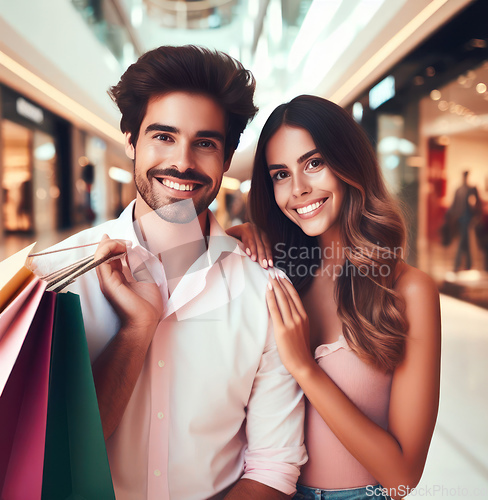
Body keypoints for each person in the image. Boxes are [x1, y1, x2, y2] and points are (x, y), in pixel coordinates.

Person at [33, 46, 306, 500]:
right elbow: (42, 457)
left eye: (205, 142)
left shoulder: (266, 291)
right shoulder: (52, 278)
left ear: (227, 154)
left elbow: (273, 468)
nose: (183, 162)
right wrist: (136, 331)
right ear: (130, 140)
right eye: (163, 136)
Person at [231, 95, 441, 500]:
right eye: (280, 174)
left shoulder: (408, 291)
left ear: (348, 162)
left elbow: (403, 479)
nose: (298, 189)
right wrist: (234, 239)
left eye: (314, 163)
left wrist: (304, 368)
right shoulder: (273, 273)